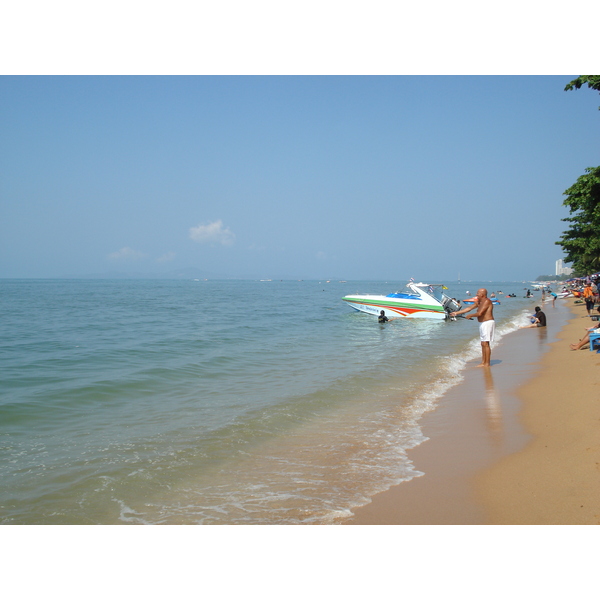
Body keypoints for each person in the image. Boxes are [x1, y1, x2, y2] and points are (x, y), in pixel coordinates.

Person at [450, 288, 495, 367]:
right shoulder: (479, 302)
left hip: (488, 323)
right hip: (482, 323)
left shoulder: (487, 301)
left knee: (486, 343)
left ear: (482, 295)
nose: (476, 295)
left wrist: (470, 315)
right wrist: (456, 313)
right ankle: (483, 362)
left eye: (478, 294)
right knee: (483, 343)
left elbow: (480, 313)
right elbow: (468, 309)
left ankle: (487, 363)